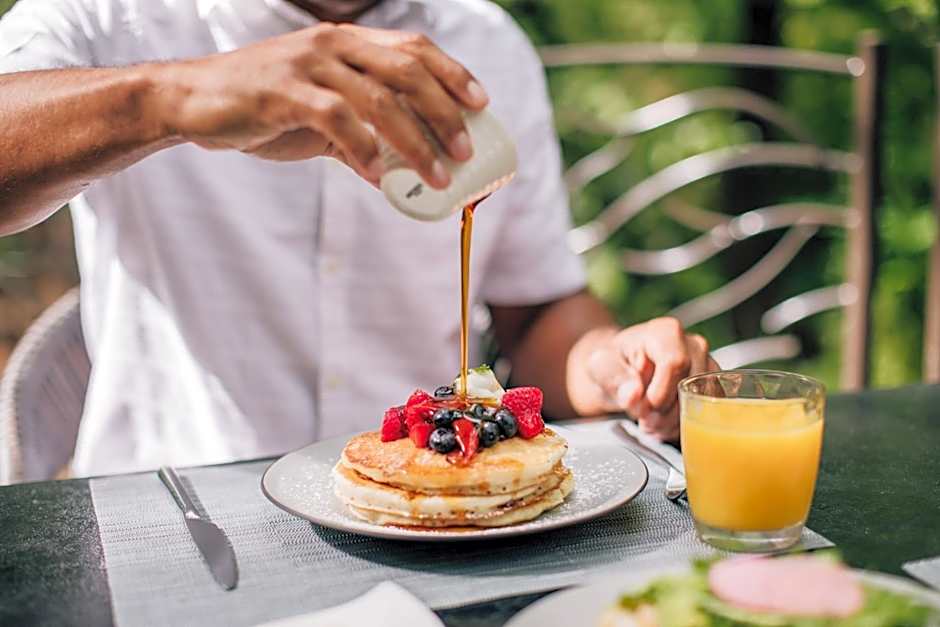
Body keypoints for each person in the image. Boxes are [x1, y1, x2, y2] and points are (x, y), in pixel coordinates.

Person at [0, 0, 718, 476]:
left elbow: (535, 316)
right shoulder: (111, 17)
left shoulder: (488, 43)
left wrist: (611, 365)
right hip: (180, 518)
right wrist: (174, 98)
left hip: (433, 517)